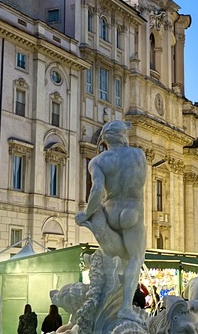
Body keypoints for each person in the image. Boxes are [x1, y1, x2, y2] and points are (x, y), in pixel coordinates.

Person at [74, 120, 147, 322]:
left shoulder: (98, 161)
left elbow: (96, 191)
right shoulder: (138, 155)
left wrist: (87, 213)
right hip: (133, 210)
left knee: (116, 257)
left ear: (106, 140)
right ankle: (125, 307)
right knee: (134, 259)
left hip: (111, 211)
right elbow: (140, 183)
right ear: (123, 136)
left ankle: (109, 293)